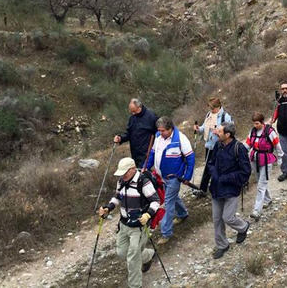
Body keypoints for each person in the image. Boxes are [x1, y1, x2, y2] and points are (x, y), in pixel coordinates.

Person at [98, 157, 163, 288]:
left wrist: (147, 214)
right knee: (122, 252)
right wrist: (108, 208)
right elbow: (117, 197)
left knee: (132, 258)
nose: (123, 175)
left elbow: (156, 201)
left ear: (133, 169)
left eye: (125, 172)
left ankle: (135, 285)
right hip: (123, 224)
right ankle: (148, 255)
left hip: (138, 226)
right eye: (121, 173)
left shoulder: (143, 182)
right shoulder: (121, 181)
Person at [146, 117, 195, 245]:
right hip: (162, 177)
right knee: (172, 198)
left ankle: (166, 233)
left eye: (163, 131)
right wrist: (146, 167)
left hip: (174, 178)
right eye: (159, 130)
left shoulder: (180, 139)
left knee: (168, 203)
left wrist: (187, 176)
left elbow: (190, 158)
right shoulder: (158, 137)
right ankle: (183, 214)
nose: (160, 133)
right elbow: (152, 154)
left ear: (170, 128)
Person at [208, 122, 251, 259]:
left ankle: (243, 227)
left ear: (227, 135)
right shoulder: (217, 145)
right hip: (216, 188)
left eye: (219, 132)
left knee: (228, 217)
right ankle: (222, 245)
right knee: (217, 219)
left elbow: (245, 172)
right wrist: (215, 175)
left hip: (231, 189)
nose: (216, 133)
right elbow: (210, 163)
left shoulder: (239, 148)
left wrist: (225, 178)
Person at [245, 113, 284, 221]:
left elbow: (277, 145)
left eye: (257, 123)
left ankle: (257, 210)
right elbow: (248, 144)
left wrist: (280, 158)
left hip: (266, 160)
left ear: (262, 122)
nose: (255, 125)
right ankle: (268, 200)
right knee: (260, 182)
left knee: (261, 186)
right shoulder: (252, 131)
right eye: (254, 123)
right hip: (255, 159)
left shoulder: (270, 132)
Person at [193, 97, 233, 198]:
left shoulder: (225, 116)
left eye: (212, 108)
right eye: (210, 108)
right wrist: (198, 129)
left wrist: (219, 132)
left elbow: (230, 131)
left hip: (220, 146)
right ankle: (203, 189)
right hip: (209, 145)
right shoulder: (209, 115)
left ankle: (220, 188)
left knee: (220, 168)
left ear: (218, 106)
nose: (211, 110)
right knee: (208, 167)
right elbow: (204, 128)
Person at [113, 98, 158, 168]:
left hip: (147, 154)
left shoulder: (152, 117)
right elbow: (128, 133)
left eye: (134, 111)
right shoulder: (132, 118)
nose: (133, 113)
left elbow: (159, 133)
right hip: (135, 154)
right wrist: (120, 138)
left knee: (144, 175)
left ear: (139, 107)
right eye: (131, 112)